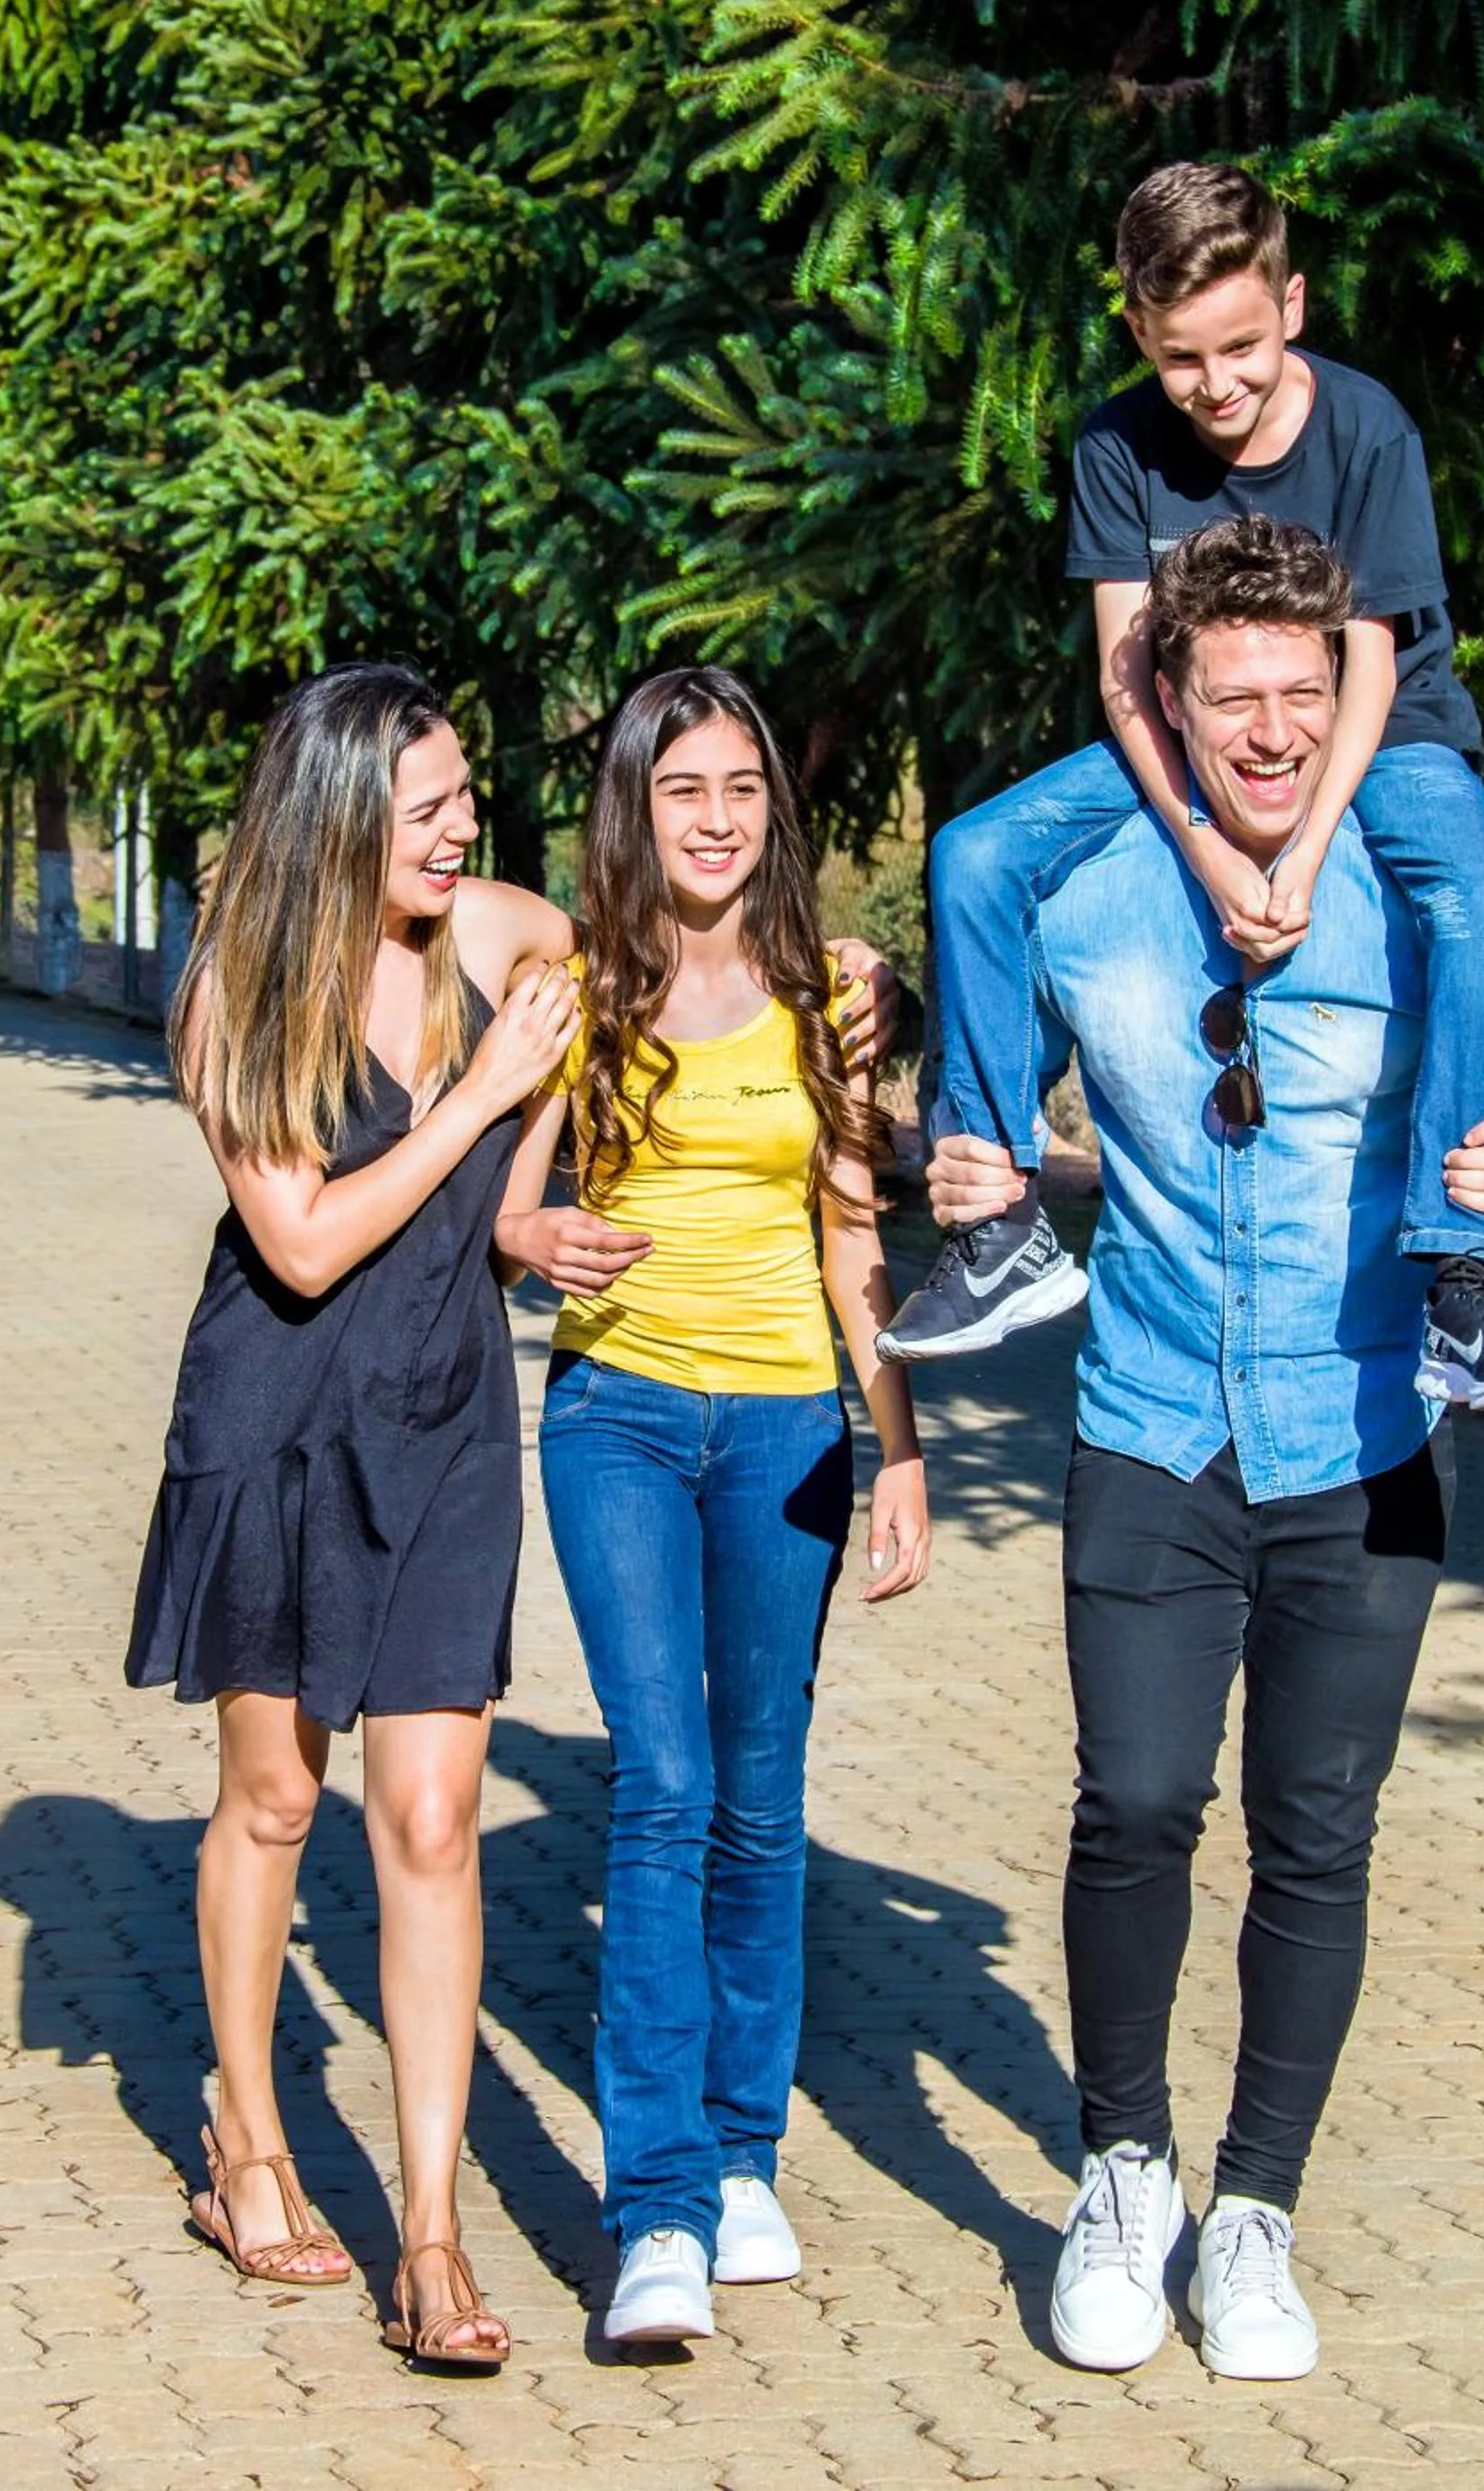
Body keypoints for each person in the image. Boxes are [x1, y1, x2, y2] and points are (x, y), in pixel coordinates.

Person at [921, 518, 1484, 2380]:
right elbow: (975, 1081)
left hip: (1364, 1430)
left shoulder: (1412, 886)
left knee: (1316, 1832)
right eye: (1231, 696)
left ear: (1344, 692)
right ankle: (1120, 2169)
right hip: (1148, 1417)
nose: (1272, 732)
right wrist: (963, 1153)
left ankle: (1253, 2213)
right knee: (1136, 1801)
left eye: (1304, 694)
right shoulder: (1084, 893)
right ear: (1164, 694)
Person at [884, 162, 1484, 1414]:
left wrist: (1299, 856)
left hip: (1385, 729)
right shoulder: (1115, 444)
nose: (1216, 386)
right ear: (1139, 336)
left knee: (1474, 888)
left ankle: (1464, 1281)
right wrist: (1210, 850)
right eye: (1180, 360)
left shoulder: (1366, 429)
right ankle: (996, 1223)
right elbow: (1121, 675)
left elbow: (1369, 661)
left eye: (1242, 347)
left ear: (1292, 304)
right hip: (1180, 727)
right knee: (974, 856)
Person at [127, 663, 580, 2370]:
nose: (465, 825)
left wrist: (524, 1208)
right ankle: (245, 2144)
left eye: (469, 791)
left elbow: (622, 947)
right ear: (336, 819)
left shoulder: (494, 935)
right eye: (428, 806)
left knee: (435, 1820)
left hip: (453, 1418)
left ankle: (435, 2236)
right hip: (280, 1421)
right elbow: (302, 1242)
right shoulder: (235, 988)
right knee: (272, 1795)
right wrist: (476, 1105)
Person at [494, 666, 932, 2348]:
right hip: (612, 1419)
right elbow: (504, 1206)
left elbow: (850, 1245)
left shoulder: (829, 993)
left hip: (782, 1435)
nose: (718, 814)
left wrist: (898, 1449)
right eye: (684, 786)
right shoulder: (579, 985)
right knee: (661, 1786)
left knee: (762, 1792)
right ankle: (656, 2203)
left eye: (742, 784)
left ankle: (745, 2157)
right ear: (634, 805)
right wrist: (534, 1241)